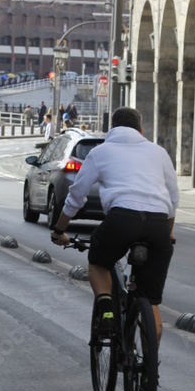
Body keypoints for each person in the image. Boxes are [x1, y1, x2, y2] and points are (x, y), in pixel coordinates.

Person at [51, 106, 178, 341]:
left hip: (122, 220)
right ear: (140, 130)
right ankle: (150, 374)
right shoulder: (159, 152)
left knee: (99, 263)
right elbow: (173, 198)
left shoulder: (101, 152)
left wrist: (60, 230)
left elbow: (76, 196)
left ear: (113, 128)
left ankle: (107, 309)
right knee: (150, 302)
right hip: (158, 224)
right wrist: (168, 234)